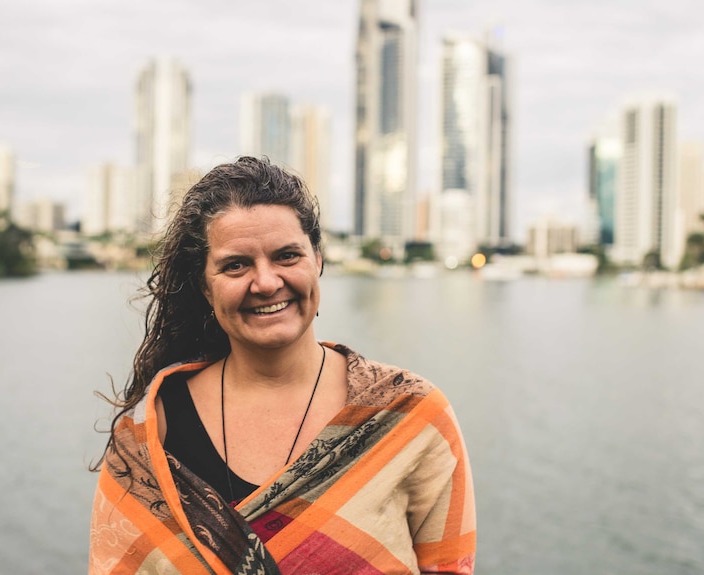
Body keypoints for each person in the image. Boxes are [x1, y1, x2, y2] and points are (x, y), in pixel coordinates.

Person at [89, 156, 476, 574]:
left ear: (318, 261)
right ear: (205, 284)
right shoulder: (152, 431)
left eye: (287, 256)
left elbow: (449, 566)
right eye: (236, 264)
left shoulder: (409, 416)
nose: (267, 282)